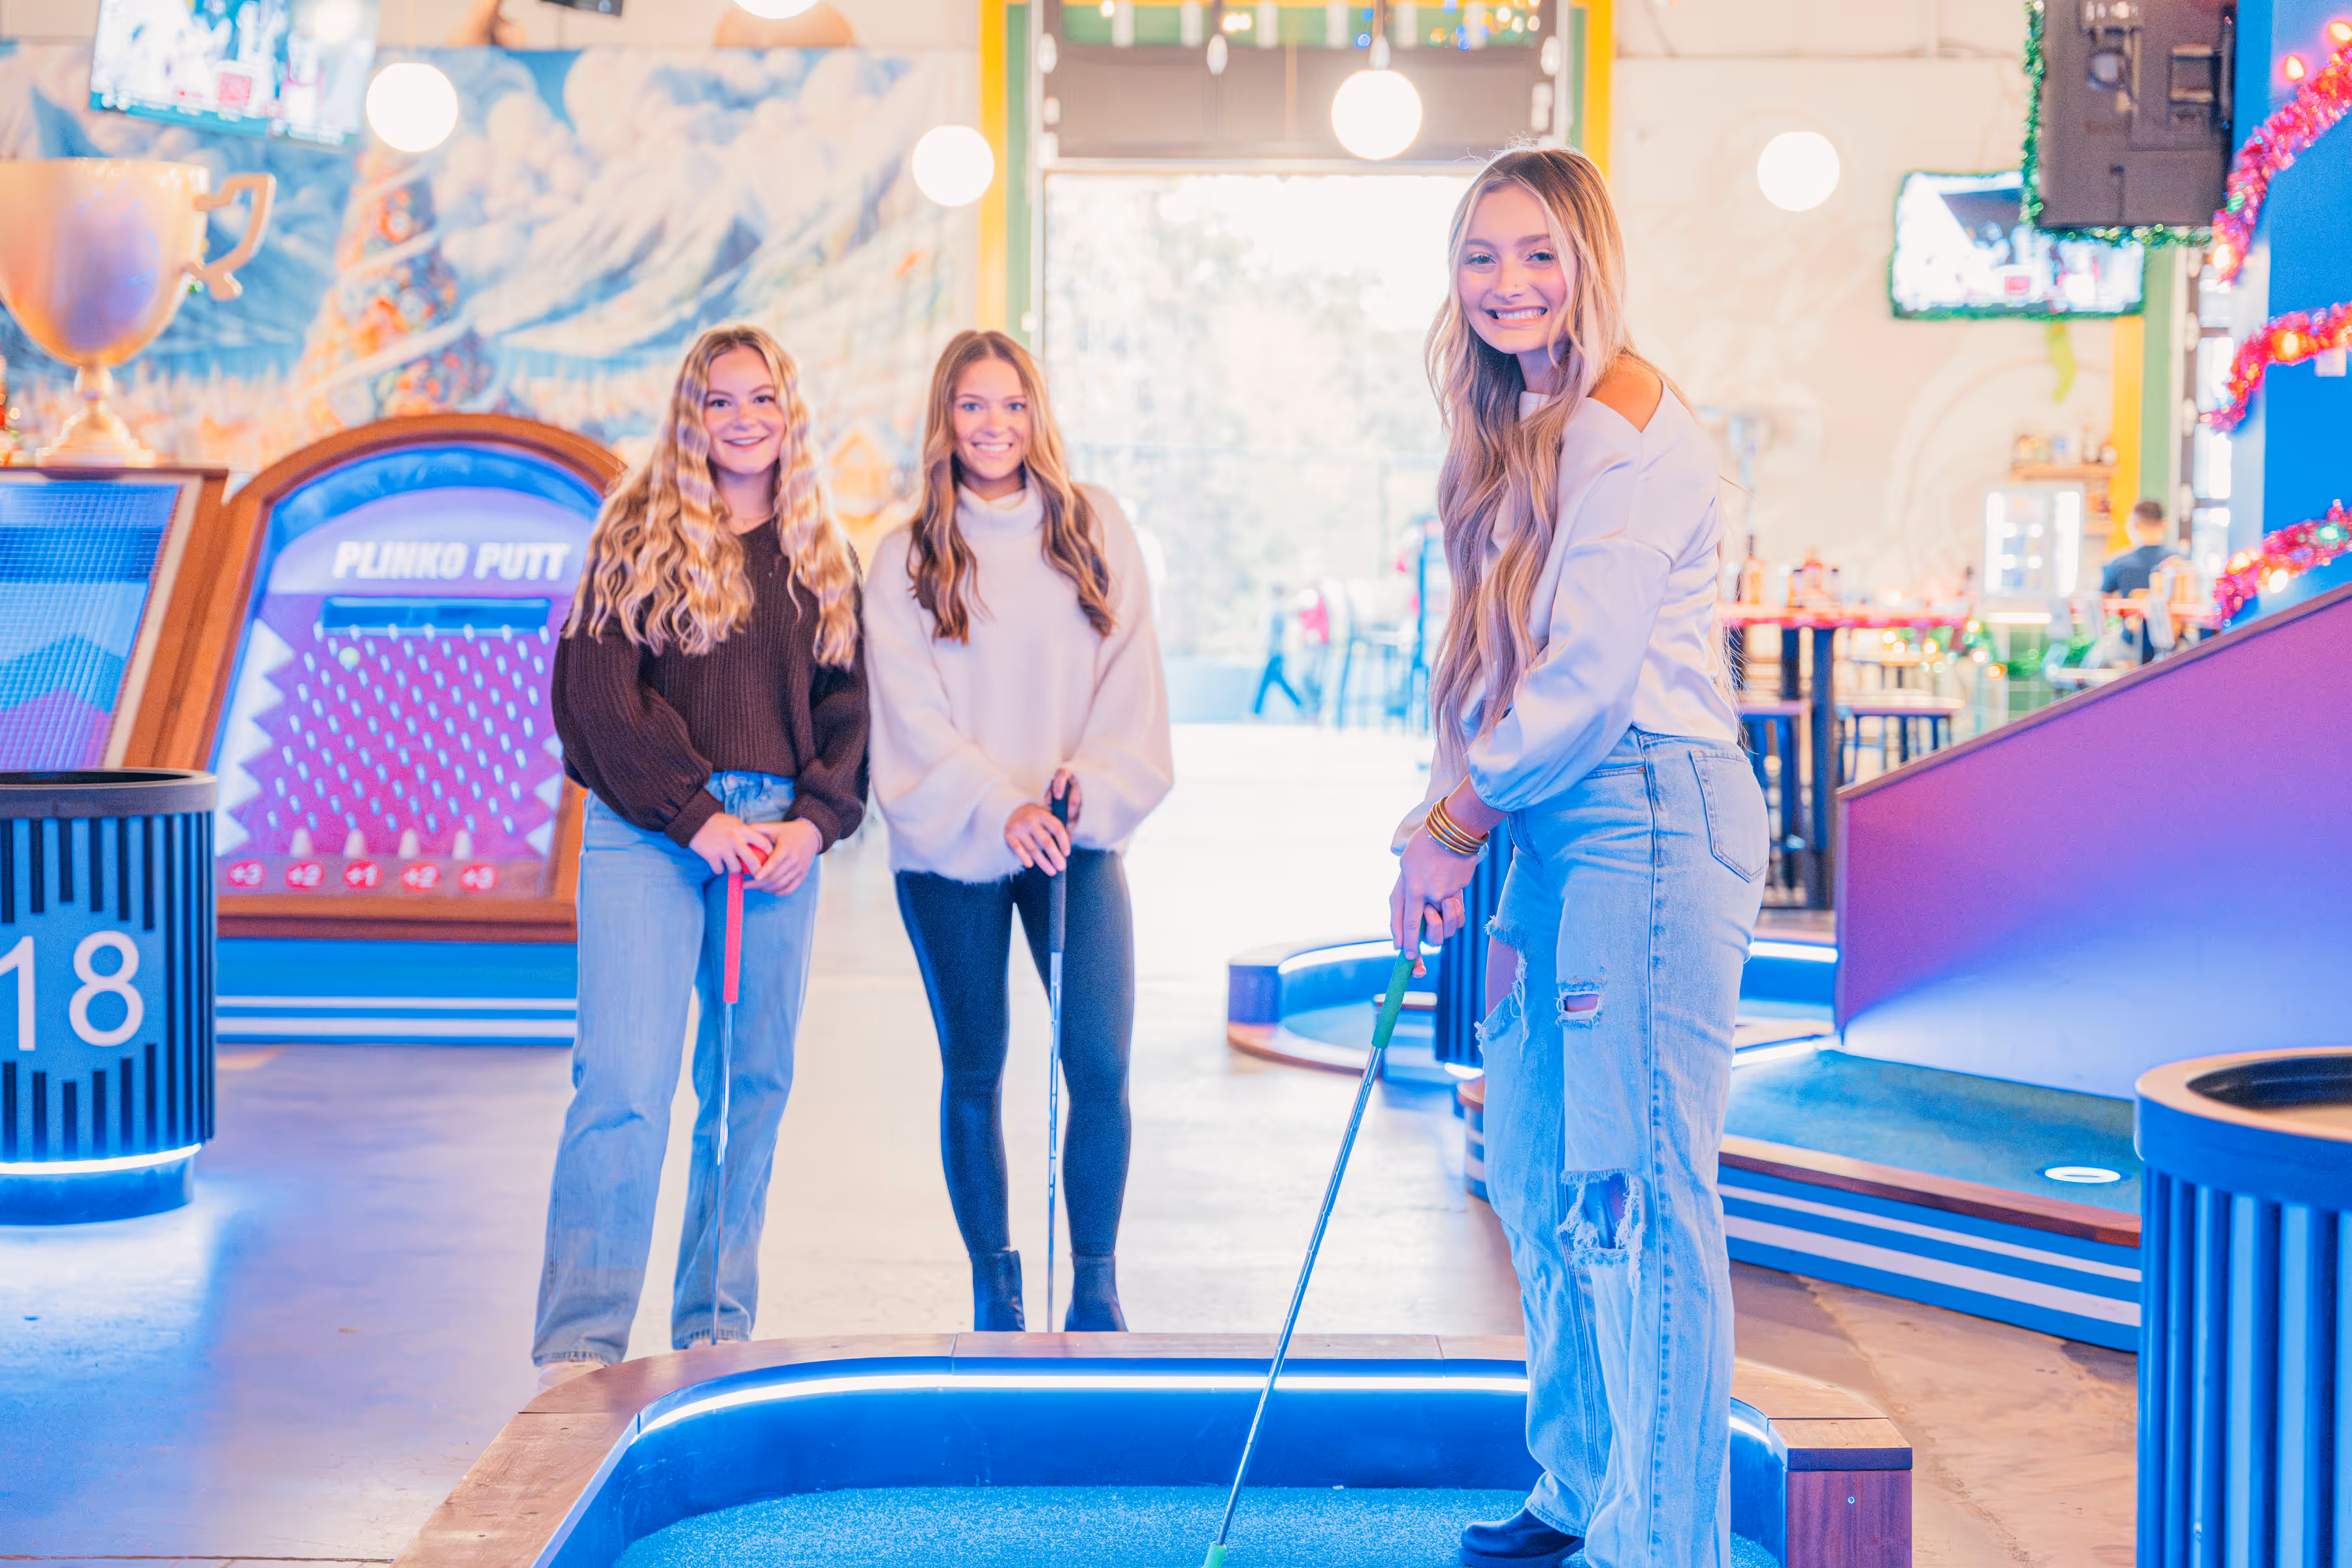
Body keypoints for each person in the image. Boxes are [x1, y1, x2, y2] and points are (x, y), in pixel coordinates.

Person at [1386, 147, 1767, 1568]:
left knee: (1638, 1193)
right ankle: (1583, 1486)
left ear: (1590, 261)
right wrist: (1443, 819)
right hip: (1556, 826)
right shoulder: (1516, 427)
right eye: (1481, 257)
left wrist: (1455, 824)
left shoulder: (1621, 423)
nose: (1507, 284)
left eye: (1537, 253)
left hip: (1650, 815)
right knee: (1540, 1172)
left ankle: (1660, 1545)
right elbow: (1489, 667)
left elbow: (1594, 675)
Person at [532, 324, 869, 1386]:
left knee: (748, 1089)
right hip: (652, 836)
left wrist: (811, 825)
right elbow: (593, 700)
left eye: (763, 400)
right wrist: (694, 814)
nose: (744, 420)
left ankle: (716, 1327)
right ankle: (579, 1347)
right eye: (721, 402)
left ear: (790, 411)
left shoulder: (822, 545)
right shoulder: (636, 529)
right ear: (691, 414)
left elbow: (850, 710)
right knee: (624, 1085)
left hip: (775, 848)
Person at [864, 329, 1173, 1333]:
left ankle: (1096, 1287)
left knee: (1100, 1061)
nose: (993, 426)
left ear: (1036, 416)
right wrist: (1002, 806)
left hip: (1076, 837)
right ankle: (996, 1289)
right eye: (971, 406)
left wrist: (1084, 783)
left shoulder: (1092, 529)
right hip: (955, 850)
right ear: (943, 421)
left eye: (1011, 405)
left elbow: (1132, 680)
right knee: (977, 1063)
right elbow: (909, 715)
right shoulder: (906, 555)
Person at [2101, 499, 2185, 595]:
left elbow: (2102, 601)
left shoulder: (2119, 564)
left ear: (2135, 526)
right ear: (2164, 525)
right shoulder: (2180, 563)